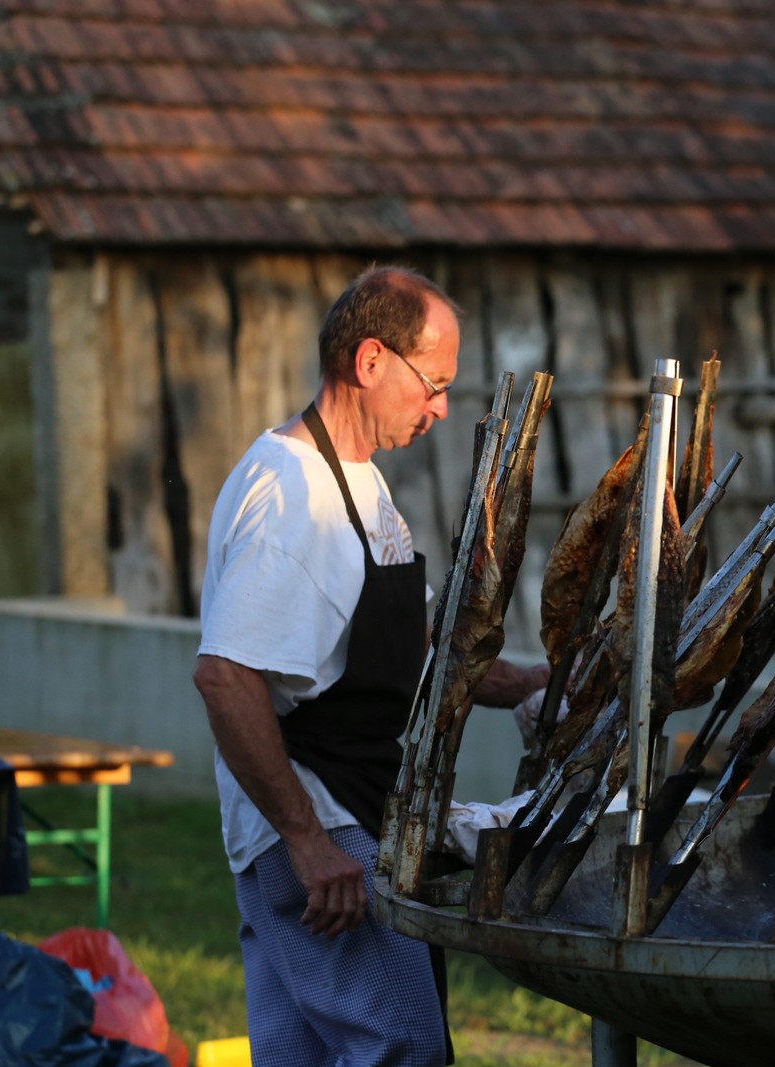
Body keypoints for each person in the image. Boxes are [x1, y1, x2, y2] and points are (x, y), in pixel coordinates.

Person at [193, 265, 546, 1066]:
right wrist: (312, 844)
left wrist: (521, 683)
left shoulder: (358, 482)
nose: (441, 408)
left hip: (350, 811)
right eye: (434, 384)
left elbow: (402, 646)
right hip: (323, 824)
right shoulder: (293, 496)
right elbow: (225, 676)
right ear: (372, 360)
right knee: (404, 1045)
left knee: (298, 1053)